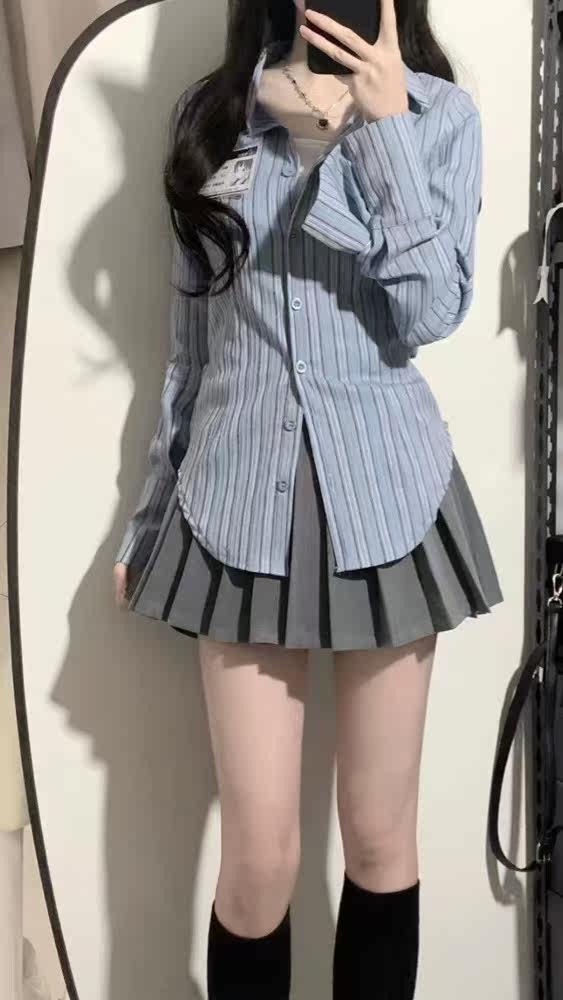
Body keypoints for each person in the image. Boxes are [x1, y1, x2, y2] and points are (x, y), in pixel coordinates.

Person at [113, 0, 503, 996]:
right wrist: (149, 520)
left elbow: (429, 310)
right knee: (259, 860)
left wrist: (383, 133)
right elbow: (189, 354)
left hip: (388, 495)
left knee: (377, 838)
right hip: (234, 502)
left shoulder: (439, 116)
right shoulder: (215, 118)